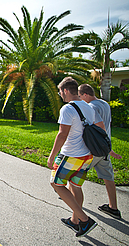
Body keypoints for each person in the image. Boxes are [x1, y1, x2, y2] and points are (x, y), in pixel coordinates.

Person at [48, 77, 102, 237]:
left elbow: (62, 134)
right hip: (87, 156)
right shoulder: (89, 107)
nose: (60, 96)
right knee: (75, 186)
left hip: (72, 154)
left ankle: (85, 220)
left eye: (60, 92)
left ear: (65, 90)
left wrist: (52, 156)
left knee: (56, 184)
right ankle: (75, 220)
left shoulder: (67, 108)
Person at [78, 84, 122, 219]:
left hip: (94, 148)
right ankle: (113, 207)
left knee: (76, 172)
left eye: (80, 96)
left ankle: (71, 198)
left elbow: (92, 128)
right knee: (108, 177)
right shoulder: (104, 104)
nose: (80, 99)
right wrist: (109, 148)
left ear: (85, 95)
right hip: (105, 148)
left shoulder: (91, 107)